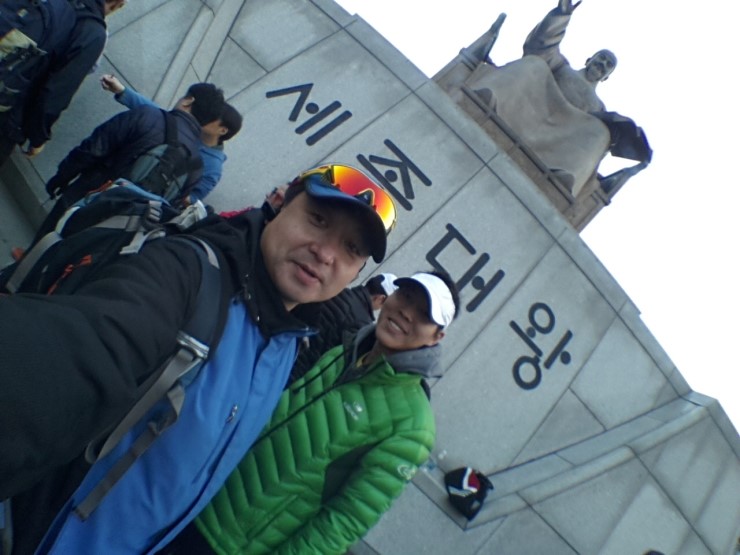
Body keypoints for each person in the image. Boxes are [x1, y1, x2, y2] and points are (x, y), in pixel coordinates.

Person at [0, 164, 397, 554]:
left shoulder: (291, 341)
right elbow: (83, 350)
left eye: (351, 249)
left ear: (356, 272)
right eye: (318, 220)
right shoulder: (186, 275)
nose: (325, 253)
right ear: (281, 205)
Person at [164, 270, 460, 555]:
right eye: (406, 296)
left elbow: (343, 523)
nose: (407, 312)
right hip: (196, 501)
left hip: (235, 544)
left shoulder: (412, 426)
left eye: (424, 314)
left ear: (436, 337)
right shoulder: (342, 354)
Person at [31, 82, 225, 243]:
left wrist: (61, 177)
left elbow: (93, 148)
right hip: (119, 227)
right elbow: (169, 207)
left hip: (86, 197)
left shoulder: (147, 116)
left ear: (189, 100)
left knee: (45, 245)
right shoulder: (197, 166)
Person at [0, 0, 127, 166]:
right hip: (9, 110)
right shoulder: (93, 32)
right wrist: (38, 138)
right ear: (118, 4)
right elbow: (55, 94)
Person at [99, 74, 244, 205]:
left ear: (222, 130)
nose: (209, 115)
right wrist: (122, 91)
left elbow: (190, 200)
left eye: (214, 117)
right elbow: (156, 114)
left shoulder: (213, 168)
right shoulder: (184, 127)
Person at [290, 271, 398, 382]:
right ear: (380, 298)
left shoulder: (336, 291)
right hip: (299, 372)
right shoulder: (361, 324)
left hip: (287, 349)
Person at [523, 0, 617, 113]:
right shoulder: (560, 67)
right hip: (532, 112)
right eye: (602, 57)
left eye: (609, 64)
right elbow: (542, 45)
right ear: (588, 61)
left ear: (605, 78)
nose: (603, 63)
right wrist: (561, 16)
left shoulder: (599, 109)